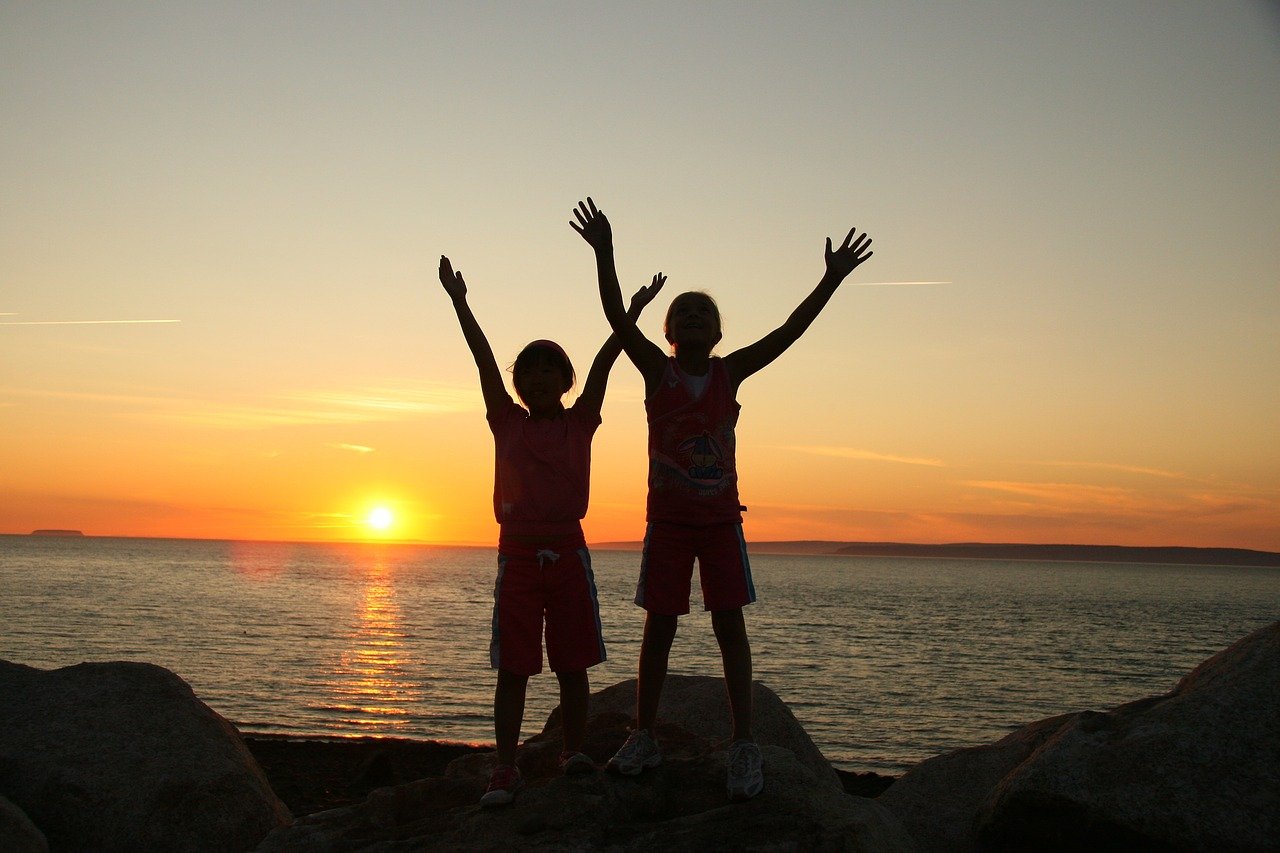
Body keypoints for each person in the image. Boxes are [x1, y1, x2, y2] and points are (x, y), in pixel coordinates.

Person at [570, 197, 872, 801]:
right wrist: (606, 255)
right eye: (682, 315)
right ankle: (646, 733)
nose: (692, 321)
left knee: (730, 627)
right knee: (660, 629)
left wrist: (830, 280)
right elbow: (616, 318)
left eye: (703, 314)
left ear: (718, 331)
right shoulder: (658, 372)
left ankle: (743, 742)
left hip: (719, 525)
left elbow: (789, 332)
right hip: (668, 525)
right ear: (669, 332)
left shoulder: (731, 373)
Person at [437, 254, 664, 806]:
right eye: (529, 371)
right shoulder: (506, 420)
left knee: (572, 661)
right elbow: (482, 360)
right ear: (517, 384)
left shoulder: (580, 421)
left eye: (550, 370)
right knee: (514, 666)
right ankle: (506, 766)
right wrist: (460, 303)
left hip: (568, 553)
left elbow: (609, 359)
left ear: (567, 382)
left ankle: (575, 751)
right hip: (516, 557)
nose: (538, 378)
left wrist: (630, 313)